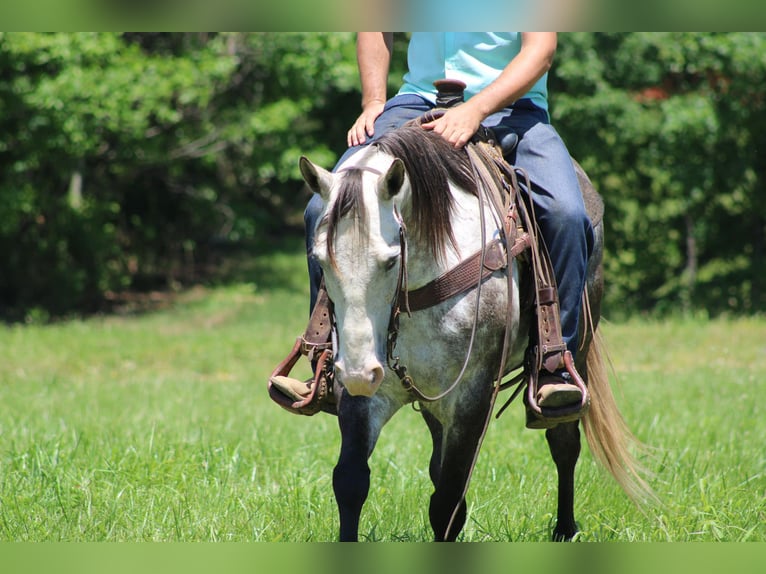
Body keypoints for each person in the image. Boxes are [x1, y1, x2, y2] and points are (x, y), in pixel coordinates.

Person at [301, 32, 594, 426]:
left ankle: (555, 362)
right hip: (413, 105)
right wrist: (373, 100)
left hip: (513, 111)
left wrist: (475, 109)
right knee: (321, 206)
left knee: (566, 215)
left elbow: (540, 51)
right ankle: (323, 352)